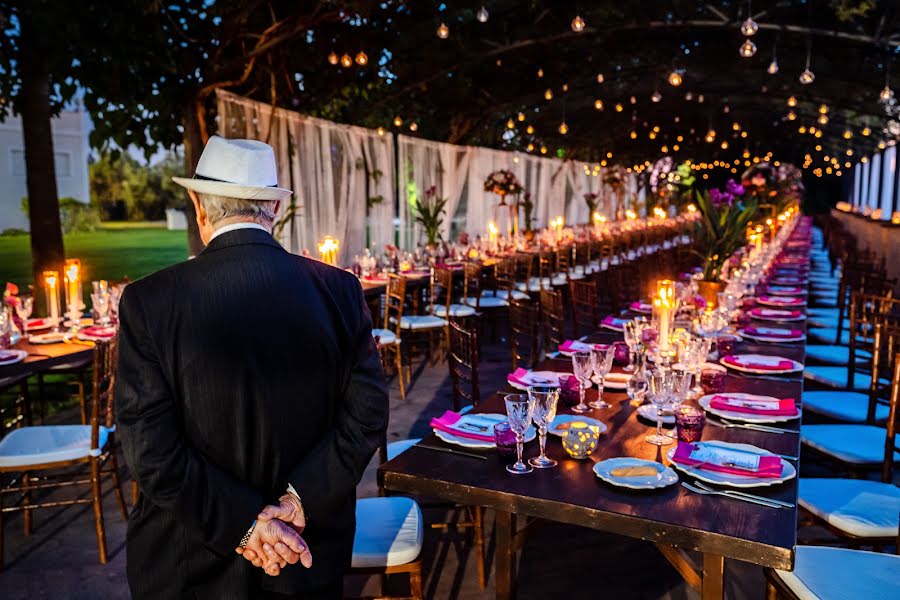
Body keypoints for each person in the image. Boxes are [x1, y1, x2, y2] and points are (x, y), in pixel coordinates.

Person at [116, 136, 389, 599]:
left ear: (200, 207)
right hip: (304, 552)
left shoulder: (150, 301)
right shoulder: (340, 290)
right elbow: (366, 415)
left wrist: (248, 526)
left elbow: (150, 449)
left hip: (188, 561)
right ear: (273, 210)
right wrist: (296, 502)